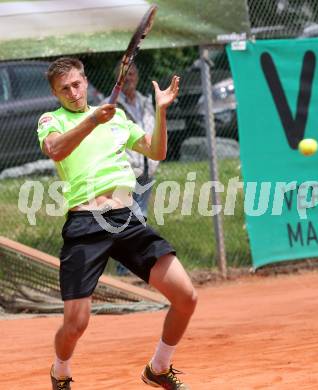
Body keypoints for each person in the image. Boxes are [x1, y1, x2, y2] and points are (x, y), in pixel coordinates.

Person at [37, 57, 197, 390]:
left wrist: (162, 109)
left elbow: (157, 151)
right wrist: (92, 121)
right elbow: (55, 149)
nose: (73, 92)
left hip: (125, 219)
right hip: (84, 223)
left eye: (77, 83)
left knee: (186, 297)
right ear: (55, 92)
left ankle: (158, 368)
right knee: (76, 323)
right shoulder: (52, 119)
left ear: (84, 81)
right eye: (64, 88)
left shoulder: (117, 117)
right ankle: (60, 371)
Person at [104, 63, 158, 276]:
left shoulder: (146, 103)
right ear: (118, 78)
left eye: (133, 74)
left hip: (147, 169)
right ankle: (124, 269)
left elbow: (152, 129)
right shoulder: (111, 105)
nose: (129, 78)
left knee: (141, 217)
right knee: (126, 219)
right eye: (125, 75)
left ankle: (136, 267)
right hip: (125, 172)